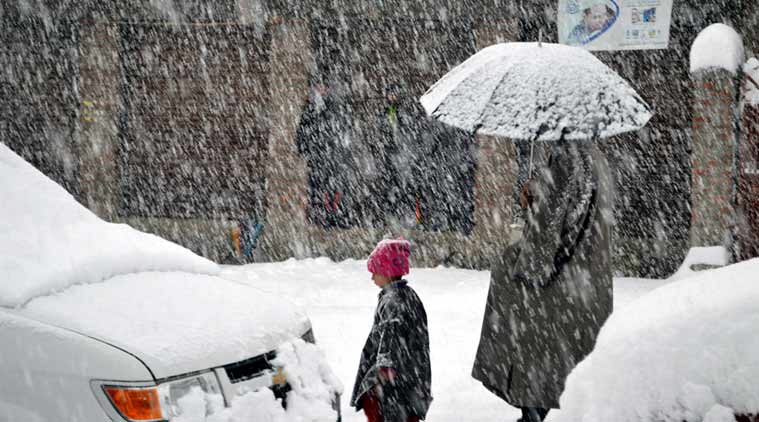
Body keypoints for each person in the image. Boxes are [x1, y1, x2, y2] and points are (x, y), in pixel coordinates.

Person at [471, 140, 613, 422]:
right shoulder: (596, 158)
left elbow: (544, 238)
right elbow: (573, 219)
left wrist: (533, 203)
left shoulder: (567, 160)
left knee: (540, 385)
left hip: (554, 301)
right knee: (567, 387)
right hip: (585, 291)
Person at [351, 238, 432, 422]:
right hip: (411, 378)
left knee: (384, 413)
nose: (372, 277)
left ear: (387, 272)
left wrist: (385, 370)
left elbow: (390, 337)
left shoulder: (393, 302)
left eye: (375, 272)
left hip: (394, 383)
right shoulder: (408, 296)